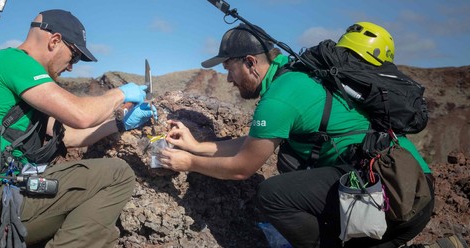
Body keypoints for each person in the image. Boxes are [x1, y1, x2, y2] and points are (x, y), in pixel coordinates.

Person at [159, 22, 443, 247]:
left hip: (393, 195)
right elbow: (251, 145)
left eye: (229, 68)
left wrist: (188, 163)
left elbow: (241, 168)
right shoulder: (297, 76)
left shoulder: (280, 98)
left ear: (249, 62)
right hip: (414, 188)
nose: (229, 79)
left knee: (273, 195)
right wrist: (197, 146)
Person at [0, 9, 156, 247]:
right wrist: (122, 93)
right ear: (54, 41)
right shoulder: (15, 62)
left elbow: (69, 136)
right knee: (118, 174)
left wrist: (119, 123)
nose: (72, 67)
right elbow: (80, 115)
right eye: (74, 57)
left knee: (97, 226)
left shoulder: (17, 79)